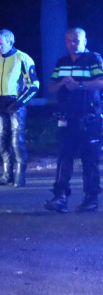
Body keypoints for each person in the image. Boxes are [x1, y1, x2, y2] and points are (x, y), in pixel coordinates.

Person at [44, 28, 103, 213]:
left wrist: (78, 85)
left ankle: (91, 198)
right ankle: (60, 197)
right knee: (64, 157)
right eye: (69, 40)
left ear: (85, 40)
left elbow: (102, 82)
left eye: (76, 40)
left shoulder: (93, 59)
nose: (72, 44)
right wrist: (61, 83)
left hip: (89, 119)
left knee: (89, 159)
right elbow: (51, 87)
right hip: (67, 118)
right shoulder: (62, 61)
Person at [0, 29, 39, 187]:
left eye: (1, 44)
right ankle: (7, 174)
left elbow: (34, 85)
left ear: (11, 42)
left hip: (16, 105)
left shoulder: (23, 58)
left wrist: (19, 103)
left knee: (17, 141)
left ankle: (20, 176)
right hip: (0, 104)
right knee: (1, 139)